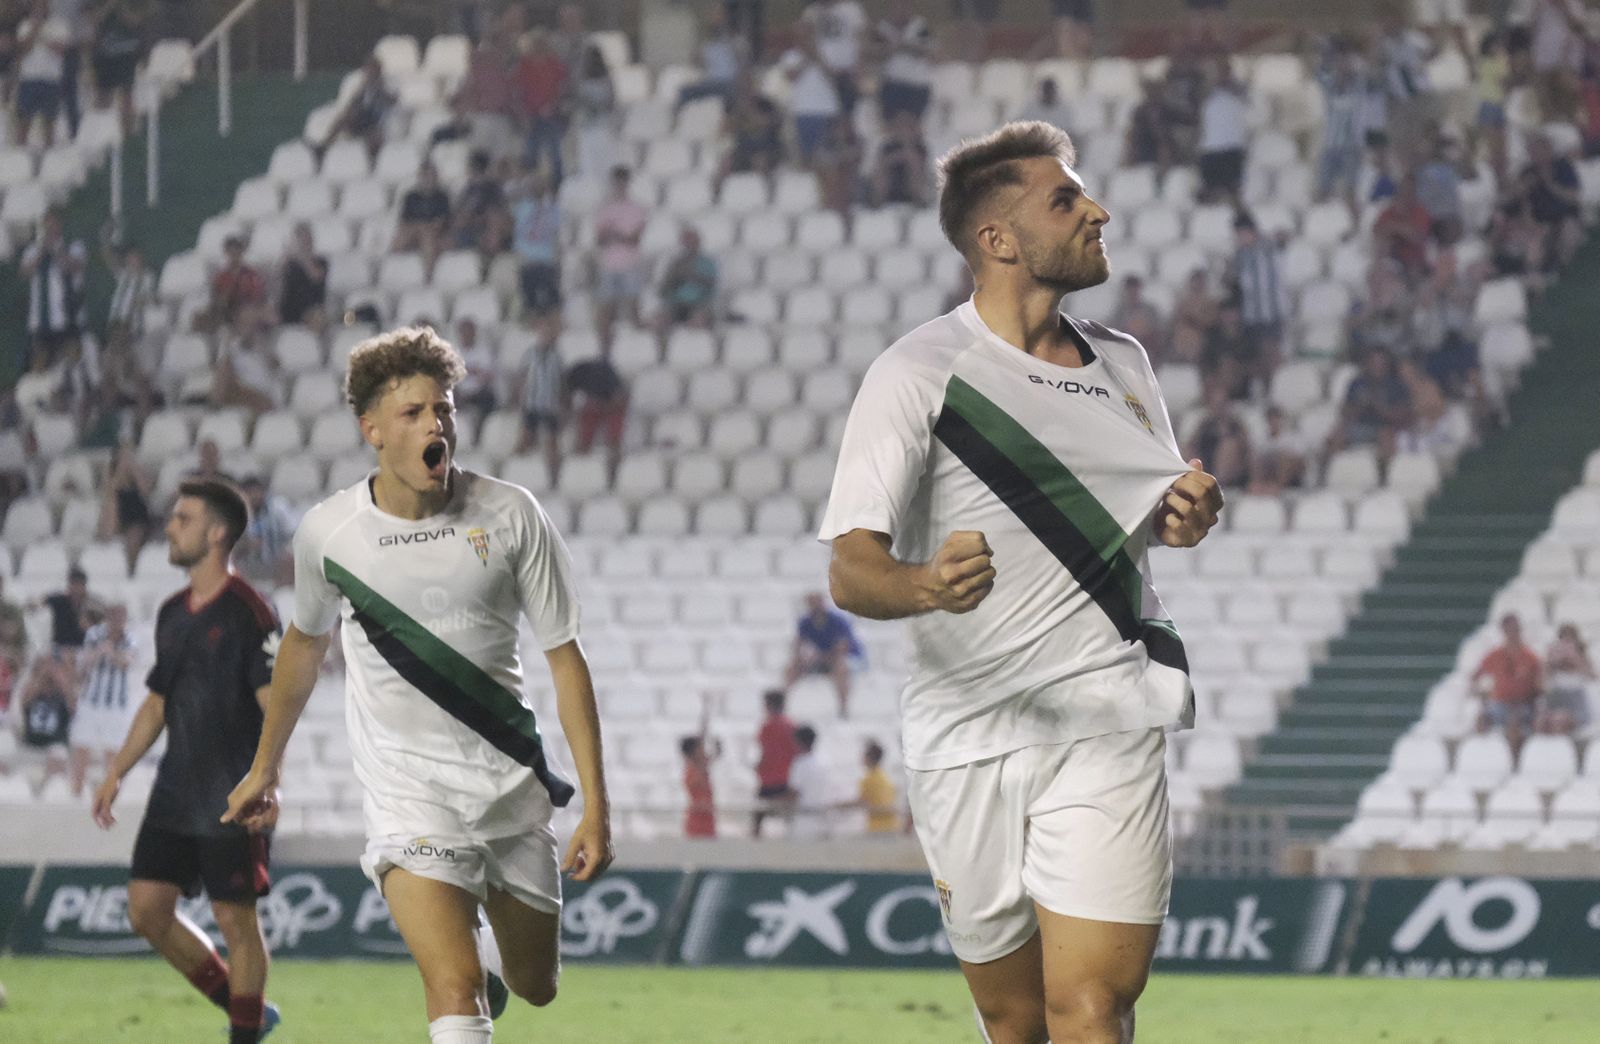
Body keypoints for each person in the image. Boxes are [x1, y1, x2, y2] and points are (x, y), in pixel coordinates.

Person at [818, 121, 1223, 1044]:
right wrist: (926, 586)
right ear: (996, 240)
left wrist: (1186, 512)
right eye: (1065, 200)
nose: (1097, 210)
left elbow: (1153, 507)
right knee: (1013, 1021)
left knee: (1090, 1012)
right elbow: (851, 569)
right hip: (964, 735)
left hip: (1105, 714)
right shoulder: (918, 373)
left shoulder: (1127, 365)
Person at [221, 327, 613, 1044]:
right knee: (453, 985)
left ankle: (500, 953)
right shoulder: (330, 534)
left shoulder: (512, 514)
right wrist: (265, 767)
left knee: (537, 985)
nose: (438, 423)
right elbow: (305, 648)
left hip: (509, 790)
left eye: (446, 409)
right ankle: (470, 973)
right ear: (371, 429)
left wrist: (597, 803)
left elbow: (565, 658)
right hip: (407, 794)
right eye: (414, 413)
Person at [90, 479, 283, 1043]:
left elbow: (276, 704)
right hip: (175, 789)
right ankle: (246, 1008)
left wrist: (269, 780)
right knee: (147, 911)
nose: (170, 527)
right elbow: (157, 703)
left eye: (183, 518)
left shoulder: (252, 611)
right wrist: (116, 770)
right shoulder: (172, 612)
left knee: (235, 922)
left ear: (216, 532)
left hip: (231, 792)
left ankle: (243, 1033)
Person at [68, 603, 136, 796]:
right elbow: (86, 661)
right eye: (114, 616)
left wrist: (110, 652)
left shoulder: (130, 638)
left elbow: (126, 661)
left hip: (116, 705)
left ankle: (109, 796)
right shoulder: (95, 635)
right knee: (82, 748)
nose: (118, 621)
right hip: (92, 701)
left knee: (113, 752)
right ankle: (76, 793)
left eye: (121, 617)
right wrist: (101, 651)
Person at [21, 208, 88, 367]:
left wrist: (56, 250)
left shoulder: (74, 245)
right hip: (41, 321)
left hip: (67, 318)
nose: (50, 228)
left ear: (60, 224)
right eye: (47, 225)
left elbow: (75, 267)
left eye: (53, 224)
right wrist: (41, 251)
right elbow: (25, 272)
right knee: (43, 364)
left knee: (69, 365)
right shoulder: (33, 249)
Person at [592, 166, 648, 348]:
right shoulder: (605, 208)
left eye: (622, 182)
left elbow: (635, 239)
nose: (619, 186)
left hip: (629, 263)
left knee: (633, 310)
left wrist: (614, 233)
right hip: (609, 264)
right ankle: (604, 350)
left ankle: (641, 348)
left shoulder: (636, 208)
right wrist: (619, 235)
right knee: (606, 311)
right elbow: (600, 239)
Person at [782, 592, 861, 718]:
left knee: (841, 668)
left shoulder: (838, 621)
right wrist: (800, 659)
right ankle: (782, 703)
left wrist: (819, 657)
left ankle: (843, 707)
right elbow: (798, 645)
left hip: (843, 659)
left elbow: (842, 649)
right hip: (820, 659)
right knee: (791, 668)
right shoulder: (805, 622)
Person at [1473, 613, 1542, 752]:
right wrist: (1481, 694)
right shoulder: (1495, 655)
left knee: (1514, 720)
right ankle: (1481, 753)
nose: (1512, 633)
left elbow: (1538, 686)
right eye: (1509, 630)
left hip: (1523, 704)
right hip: (1499, 703)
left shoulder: (1530, 657)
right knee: (1481, 718)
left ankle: (1513, 760)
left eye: (1515, 629)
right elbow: (1476, 675)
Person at [1329, 348, 1412, 463]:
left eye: (1381, 363)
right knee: (1337, 434)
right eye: (1374, 363)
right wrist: (1360, 406)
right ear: (1367, 364)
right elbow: (1345, 411)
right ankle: (1332, 470)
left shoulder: (1396, 385)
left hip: (1386, 428)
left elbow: (1404, 414)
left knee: (1386, 435)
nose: (1377, 367)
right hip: (1360, 426)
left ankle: (1386, 473)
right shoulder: (1357, 383)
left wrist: (1382, 408)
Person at [11, 0, 70, 148]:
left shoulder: (59, 25)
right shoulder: (25, 25)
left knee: (49, 119)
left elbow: (60, 50)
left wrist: (43, 37)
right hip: (29, 78)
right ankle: (20, 152)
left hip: (51, 79)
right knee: (24, 118)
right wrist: (35, 30)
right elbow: (23, 49)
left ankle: (49, 151)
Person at [565, 352, 628, 481]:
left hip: (609, 403)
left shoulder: (610, 380)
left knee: (615, 431)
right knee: (587, 426)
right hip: (595, 402)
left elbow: (618, 401)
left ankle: (616, 468)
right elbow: (568, 397)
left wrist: (605, 407)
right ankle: (581, 464)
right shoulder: (578, 376)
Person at [510, 168, 562, 322]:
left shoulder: (553, 208)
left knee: (551, 300)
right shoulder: (522, 207)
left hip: (547, 260)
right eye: (533, 185)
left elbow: (557, 231)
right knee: (529, 301)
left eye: (539, 185)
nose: (536, 188)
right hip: (527, 261)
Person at [317, 55, 394, 158]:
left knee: (374, 136)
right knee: (342, 119)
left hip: (375, 121)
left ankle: (371, 161)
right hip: (360, 119)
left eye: (373, 70)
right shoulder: (362, 87)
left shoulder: (385, 85)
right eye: (368, 70)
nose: (370, 73)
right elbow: (353, 104)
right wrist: (362, 89)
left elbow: (391, 100)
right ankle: (324, 146)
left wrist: (379, 90)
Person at [875, 0, 933, 121]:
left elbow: (928, 50)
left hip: (916, 85)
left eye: (903, 5)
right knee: (892, 122)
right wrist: (891, 49)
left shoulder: (920, 25)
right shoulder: (883, 27)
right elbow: (876, 53)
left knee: (915, 121)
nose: (900, 9)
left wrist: (906, 45)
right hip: (893, 84)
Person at [752, 688, 799, 838]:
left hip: (770, 780)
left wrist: (759, 767)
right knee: (788, 818)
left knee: (758, 818)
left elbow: (765, 752)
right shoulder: (792, 726)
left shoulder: (767, 726)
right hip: (787, 778)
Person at [655, 226, 719, 331]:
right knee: (659, 320)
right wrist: (676, 276)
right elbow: (663, 289)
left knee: (698, 320)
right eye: (687, 242)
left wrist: (694, 276)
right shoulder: (675, 263)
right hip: (676, 304)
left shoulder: (708, 263)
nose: (690, 245)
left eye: (693, 241)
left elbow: (713, 285)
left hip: (699, 304)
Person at [235, 476, 295, 586]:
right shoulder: (236, 514)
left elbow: (292, 533)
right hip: (248, 562)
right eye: (249, 493)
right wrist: (246, 545)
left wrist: (284, 549)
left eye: (256, 492)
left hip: (276, 557)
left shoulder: (278, 508)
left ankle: (282, 594)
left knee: (289, 557)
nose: (254, 496)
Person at [206, 236, 269, 335]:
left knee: (250, 314)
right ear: (226, 253)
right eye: (230, 252)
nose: (233, 255)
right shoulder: (221, 277)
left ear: (241, 252)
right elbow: (216, 299)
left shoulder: (251, 275)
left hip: (246, 311)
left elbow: (258, 297)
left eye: (236, 251)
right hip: (227, 313)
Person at [394, 162, 453, 268]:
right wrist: (418, 227)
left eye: (432, 175)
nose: (429, 179)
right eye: (426, 175)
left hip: (433, 232)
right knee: (401, 239)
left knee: (427, 237)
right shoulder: (411, 197)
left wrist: (424, 228)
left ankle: (427, 274)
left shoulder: (442, 197)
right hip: (413, 231)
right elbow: (404, 221)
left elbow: (441, 221)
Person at [869, 110, 930, 207]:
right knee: (881, 171)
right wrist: (899, 156)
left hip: (910, 183)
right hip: (891, 180)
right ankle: (877, 200)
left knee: (915, 167)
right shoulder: (888, 146)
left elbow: (920, 164)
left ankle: (918, 199)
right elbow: (883, 162)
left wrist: (907, 146)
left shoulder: (920, 147)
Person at [1541, 623, 1593, 735]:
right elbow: (1542, 684)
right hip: (1557, 700)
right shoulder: (1552, 661)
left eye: (1570, 641)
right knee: (1552, 719)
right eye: (1563, 640)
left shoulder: (1583, 661)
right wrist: (1553, 662)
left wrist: (1576, 660)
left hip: (1577, 704)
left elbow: (1592, 677)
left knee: (1563, 720)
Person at [679, 699, 720, 839]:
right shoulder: (691, 771)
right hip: (697, 821)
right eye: (699, 748)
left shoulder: (700, 766)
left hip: (708, 820)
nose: (703, 750)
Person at [278, 223, 328, 331]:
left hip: (311, 307)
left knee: (318, 317)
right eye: (302, 239)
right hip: (290, 307)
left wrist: (301, 257)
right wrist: (284, 259)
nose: (305, 243)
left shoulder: (321, 261)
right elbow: (277, 281)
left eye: (307, 239)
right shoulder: (290, 263)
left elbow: (316, 276)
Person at [785, 724, 831, 839]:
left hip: (804, 817)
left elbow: (794, 792)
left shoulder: (800, 763)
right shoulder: (825, 761)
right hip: (823, 817)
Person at [857, 739, 898, 834]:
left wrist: (839, 806)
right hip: (892, 824)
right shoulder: (885, 777)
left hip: (877, 827)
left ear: (869, 757)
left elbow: (861, 801)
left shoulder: (868, 779)